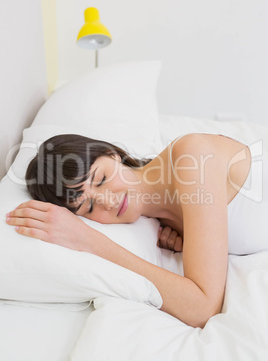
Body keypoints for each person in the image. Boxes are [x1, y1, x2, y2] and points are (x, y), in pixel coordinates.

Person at [5, 132, 267, 328]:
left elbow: (202, 307)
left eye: (102, 179)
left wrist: (90, 241)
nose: (108, 201)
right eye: (89, 208)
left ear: (112, 154)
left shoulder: (192, 157)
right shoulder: (160, 225)